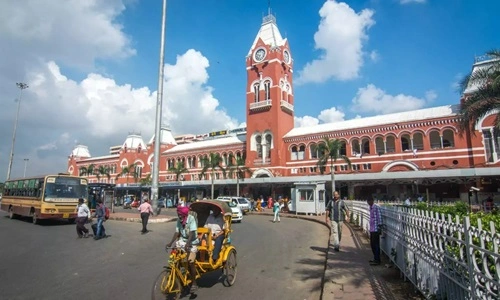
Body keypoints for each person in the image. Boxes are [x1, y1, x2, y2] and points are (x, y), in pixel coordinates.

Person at [167, 206, 199, 293]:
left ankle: (194, 283)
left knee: (190, 261)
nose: (179, 216)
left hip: (192, 242)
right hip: (183, 241)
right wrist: (170, 243)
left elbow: (192, 232)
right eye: (178, 214)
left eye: (180, 215)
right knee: (176, 259)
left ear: (184, 214)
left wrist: (188, 244)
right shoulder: (179, 221)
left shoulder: (191, 218)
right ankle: (178, 277)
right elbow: (177, 232)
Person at [367, 198, 383, 265]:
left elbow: (379, 217)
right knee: (372, 244)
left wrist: (379, 227)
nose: (368, 202)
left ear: (372, 201)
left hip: (376, 229)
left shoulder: (376, 208)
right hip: (372, 229)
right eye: (368, 201)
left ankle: (377, 260)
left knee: (376, 245)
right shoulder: (370, 208)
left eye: (369, 201)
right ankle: (375, 258)